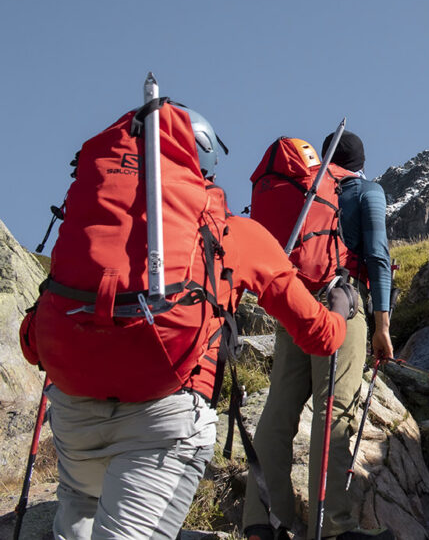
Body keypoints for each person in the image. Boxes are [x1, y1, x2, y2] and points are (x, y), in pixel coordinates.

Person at [19, 103, 347, 540]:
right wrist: (342, 305)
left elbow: (31, 342)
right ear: (205, 164)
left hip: (74, 419)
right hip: (166, 416)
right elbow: (320, 336)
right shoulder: (231, 232)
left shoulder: (94, 220)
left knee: (75, 519)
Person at [242, 130, 394, 540]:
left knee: (278, 412)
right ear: (360, 164)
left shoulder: (308, 190)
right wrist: (382, 324)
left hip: (295, 305)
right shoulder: (365, 192)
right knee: (334, 412)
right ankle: (331, 529)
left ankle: (262, 523)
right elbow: (378, 257)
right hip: (341, 306)